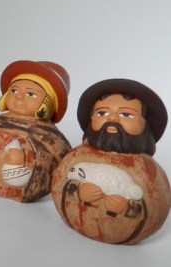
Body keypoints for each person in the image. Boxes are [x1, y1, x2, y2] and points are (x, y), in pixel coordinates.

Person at [51, 79, 170, 244]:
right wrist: (78, 191)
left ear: (145, 124)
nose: (112, 119)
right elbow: (59, 182)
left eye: (126, 114)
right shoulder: (75, 156)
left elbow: (156, 206)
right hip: (77, 220)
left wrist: (126, 207)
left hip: (121, 232)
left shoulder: (147, 170)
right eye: (102, 113)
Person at [0, 60, 71, 202]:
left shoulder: (48, 134)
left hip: (30, 189)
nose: (19, 97)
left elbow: (64, 159)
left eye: (31, 94)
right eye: (14, 90)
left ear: (47, 103)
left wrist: (27, 156)